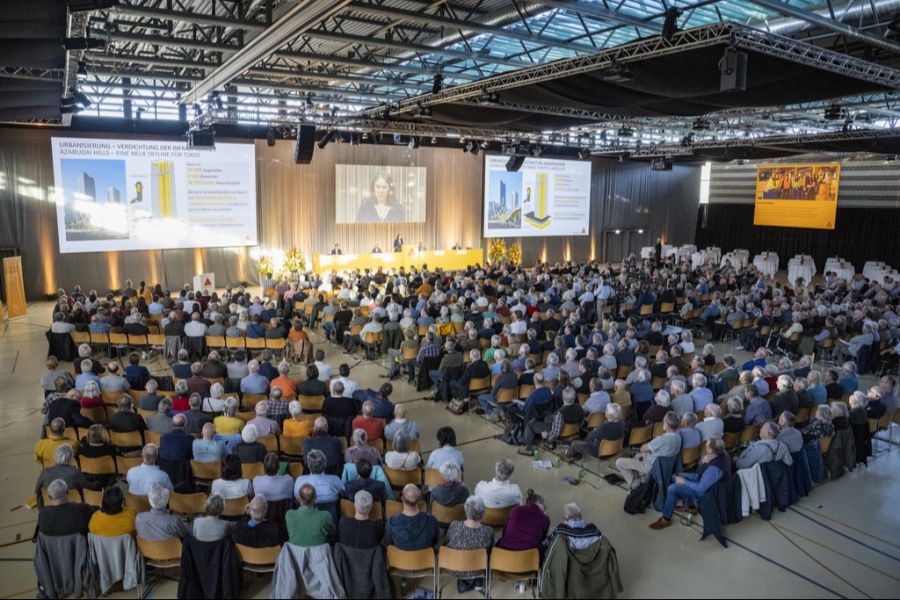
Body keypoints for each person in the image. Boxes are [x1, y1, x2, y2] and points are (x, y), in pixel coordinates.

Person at [649, 437, 728, 530]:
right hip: (703, 479)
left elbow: (700, 488)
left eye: (707, 446)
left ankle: (666, 519)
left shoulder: (714, 469)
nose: (705, 447)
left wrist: (684, 481)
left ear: (711, 449)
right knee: (675, 476)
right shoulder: (721, 455)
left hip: (706, 492)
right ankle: (691, 507)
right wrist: (702, 460)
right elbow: (700, 471)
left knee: (672, 489)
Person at [615, 411, 682, 488]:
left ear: (667, 425)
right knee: (637, 456)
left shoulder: (661, 439)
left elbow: (643, 449)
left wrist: (648, 446)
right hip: (664, 467)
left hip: (649, 466)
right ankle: (643, 478)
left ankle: (636, 486)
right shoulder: (679, 437)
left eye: (664, 421)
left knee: (619, 462)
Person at [444, 496, 493, 594]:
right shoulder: (488, 531)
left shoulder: (454, 525)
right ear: (483, 514)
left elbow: (447, 542)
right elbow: (489, 551)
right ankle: (478, 581)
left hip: (453, 567)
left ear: (466, 511)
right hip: (478, 570)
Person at [518, 386, 584, 456]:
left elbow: (555, 432)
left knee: (530, 424)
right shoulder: (580, 408)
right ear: (574, 397)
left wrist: (547, 436)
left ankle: (527, 449)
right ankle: (550, 443)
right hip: (573, 432)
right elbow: (581, 423)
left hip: (559, 433)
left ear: (563, 397)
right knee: (548, 416)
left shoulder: (560, 413)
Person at [384, 484, 439, 550]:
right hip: (424, 559)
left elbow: (389, 544)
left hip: (399, 559)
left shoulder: (391, 523)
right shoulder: (432, 521)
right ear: (419, 499)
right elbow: (435, 541)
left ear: (402, 498)